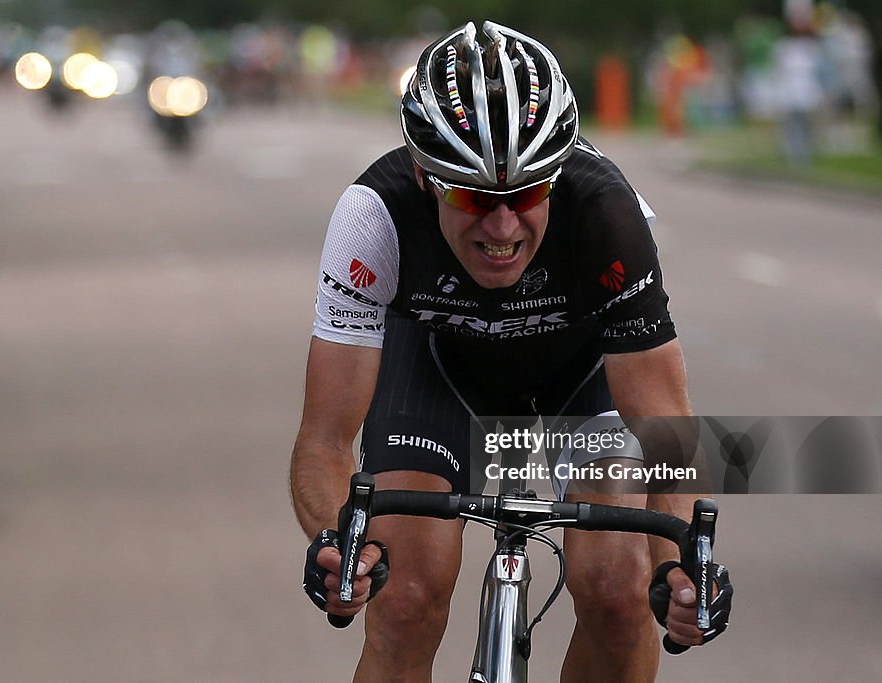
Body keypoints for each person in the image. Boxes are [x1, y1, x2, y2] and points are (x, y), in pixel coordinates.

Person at [291, 21, 732, 682]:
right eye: (472, 196)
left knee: (619, 588)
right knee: (404, 596)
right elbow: (325, 440)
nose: (502, 227)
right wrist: (339, 544)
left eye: (527, 195)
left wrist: (683, 562)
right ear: (423, 173)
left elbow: (663, 417)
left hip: (577, 384)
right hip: (438, 380)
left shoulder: (607, 213)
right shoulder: (373, 216)